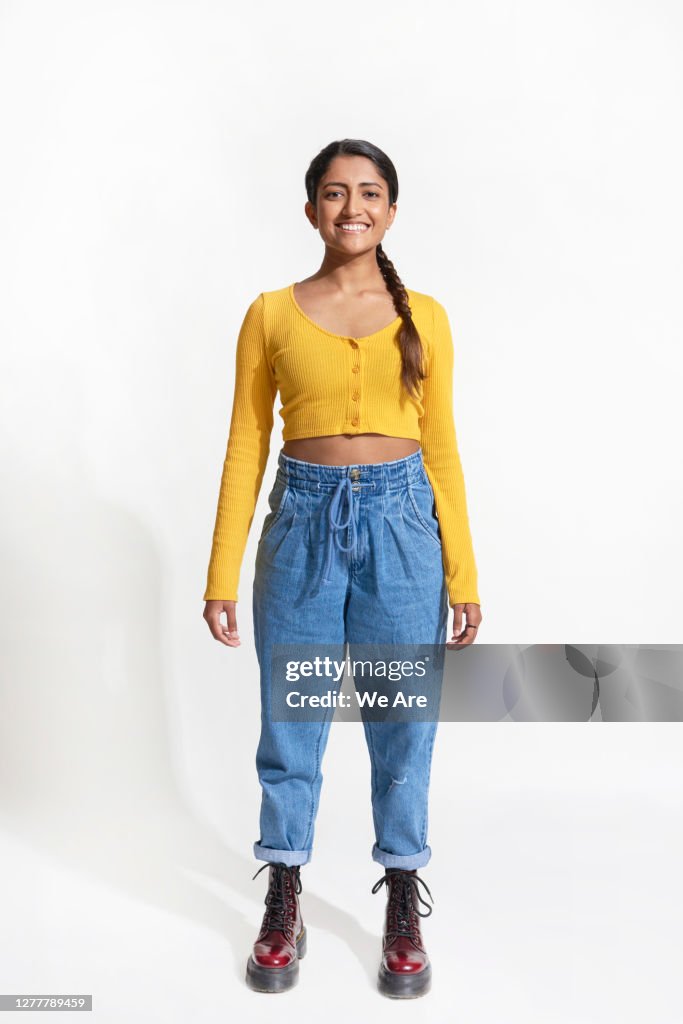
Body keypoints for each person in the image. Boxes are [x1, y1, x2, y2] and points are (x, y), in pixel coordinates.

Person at [202, 138, 482, 998]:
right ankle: (283, 890)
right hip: (303, 528)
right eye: (333, 192)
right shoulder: (270, 312)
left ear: (391, 211)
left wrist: (463, 575)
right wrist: (220, 573)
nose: (350, 205)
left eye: (368, 192)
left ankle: (402, 894)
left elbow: (439, 447)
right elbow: (248, 443)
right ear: (310, 209)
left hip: (404, 531)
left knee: (402, 720)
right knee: (293, 719)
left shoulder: (425, 315)